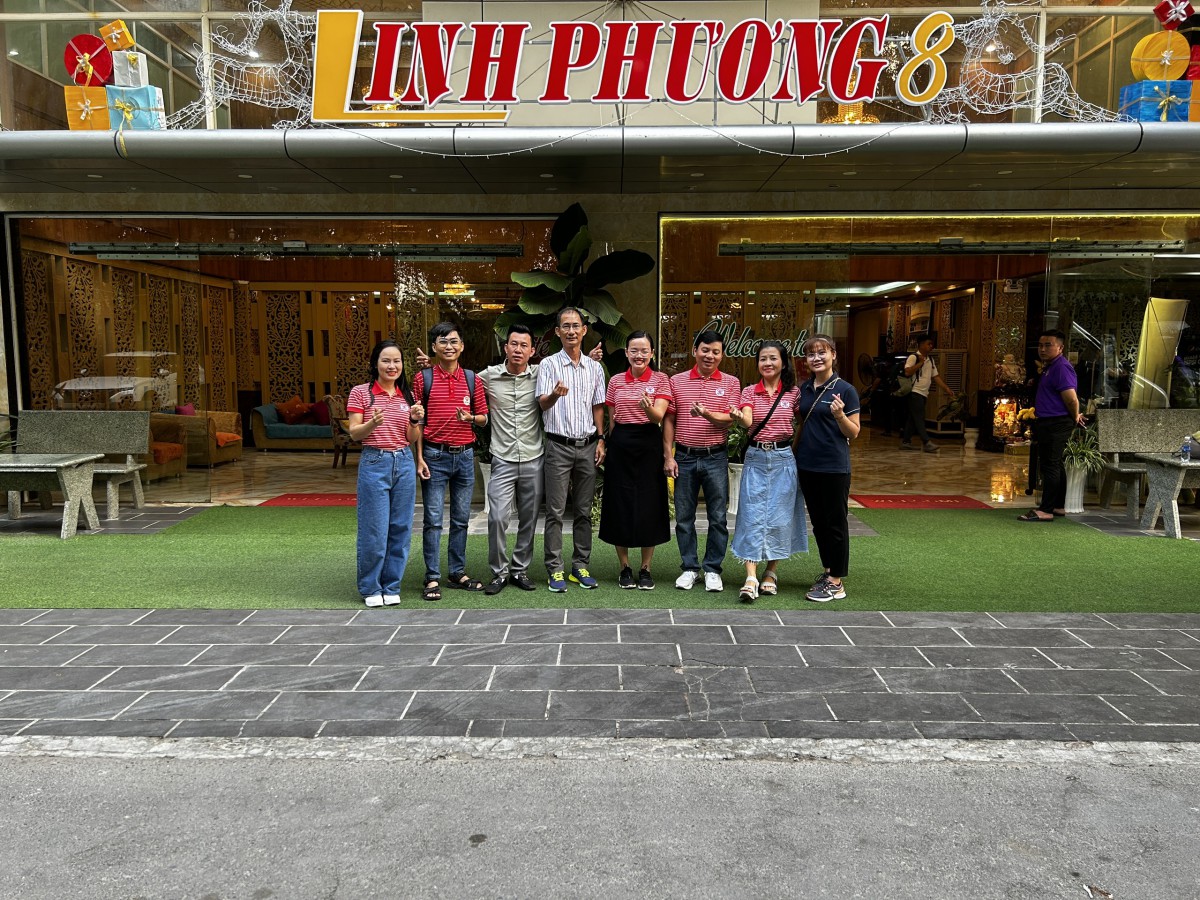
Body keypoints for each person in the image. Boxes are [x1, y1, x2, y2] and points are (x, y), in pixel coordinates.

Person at [345, 340, 423, 607]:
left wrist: (414, 420)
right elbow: (355, 434)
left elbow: (412, 438)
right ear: (375, 363)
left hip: (403, 462)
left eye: (396, 361)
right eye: (386, 361)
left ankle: (391, 585)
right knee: (375, 529)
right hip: (374, 462)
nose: (392, 366)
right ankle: (370, 587)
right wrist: (372, 423)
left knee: (401, 528)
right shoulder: (361, 393)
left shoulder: (407, 395)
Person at [414, 321, 489, 601]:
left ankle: (457, 572)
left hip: (465, 456)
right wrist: (419, 457)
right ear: (434, 347)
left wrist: (471, 418)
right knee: (433, 520)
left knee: (461, 520)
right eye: (443, 342)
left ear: (462, 346)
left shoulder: (472, 379)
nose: (449, 346)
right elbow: (417, 422)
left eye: (454, 341)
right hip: (434, 455)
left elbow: (484, 418)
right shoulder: (423, 379)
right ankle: (432, 577)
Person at [729, 340, 808, 603]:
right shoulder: (750, 391)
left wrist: (791, 451)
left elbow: (803, 423)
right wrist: (739, 417)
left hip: (784, 458)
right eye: (763, 358)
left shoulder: (793, 393)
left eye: (773, 358)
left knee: (780, 517)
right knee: (750, 516)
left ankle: (771, 572)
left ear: (783, 363)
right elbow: (748, 420)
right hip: (756, 458)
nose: (768, 363)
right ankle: (751, 577)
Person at [536, 307, 607, 592]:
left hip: (588, 446)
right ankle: (555, 569)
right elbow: (542, 403)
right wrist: (555, 395)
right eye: (565, 326)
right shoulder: (548, 365)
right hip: (558, 446)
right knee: (555, 511)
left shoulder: (594, 368)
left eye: (576, 326)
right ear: (557, 332)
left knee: (583, 510)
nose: (571, 331)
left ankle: (580, 566)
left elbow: (598, 406)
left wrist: (601, 439)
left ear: (584, 330)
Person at [663, 329, 740, 592]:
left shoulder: (731, 383)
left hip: (715, 456)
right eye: (705, 350)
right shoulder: (677, 381)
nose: (710, 356)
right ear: (695, 351)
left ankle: (712, 569)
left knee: (717, 517)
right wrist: (669, 456)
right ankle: (689, 568)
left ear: (722, 355)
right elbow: (669, 419)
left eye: (715, 352)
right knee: (684, 517)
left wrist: (706, 413)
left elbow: (730, 419)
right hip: (684, 456)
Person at [599, 331, 672, 589]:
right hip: (621, 444)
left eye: (644, 351)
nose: (639, 355)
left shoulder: (661, 379)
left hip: (649, 443)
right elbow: (612, 419)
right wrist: (607, 445)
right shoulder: (616, 381)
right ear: (626, 353)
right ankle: (625, 567)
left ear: (652, 353)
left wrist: (647, 407)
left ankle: (645, 568)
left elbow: (658, 417)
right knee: (620, 502)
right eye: (634, 350)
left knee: (649, 504)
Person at [794, 334, 861, 603]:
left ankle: (836, 582)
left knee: (835, 523)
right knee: (819, 523)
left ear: (833, 354)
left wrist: (840, 416)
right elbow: (802, 425)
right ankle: (828, 570)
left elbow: (853, 432)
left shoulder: (846, 390)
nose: (817, 358)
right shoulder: (804, 388)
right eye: (811, 354)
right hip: (807, 465)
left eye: (822, 352)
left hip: (834, 467)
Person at [478, 325, 543, 595]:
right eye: (513, 344)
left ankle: (519, 569)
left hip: (533, 457)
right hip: (502, 458)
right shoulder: (488, 376)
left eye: (523, 345)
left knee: (529, 518)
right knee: (497, 517)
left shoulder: (541, 374)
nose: (518, 349)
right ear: (505, 348)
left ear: (532, 351)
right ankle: (499, 572)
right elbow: (460, 381)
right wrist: (431, 367)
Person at [1019, 329, 1087, 522]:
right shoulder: (1050, 366)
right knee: (1055, 463)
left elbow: (1071, 398)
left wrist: (1075, 416)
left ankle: (1046, 510)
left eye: (1048, 345)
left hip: (1056, 422)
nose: (1042, 349)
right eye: (1040, 345)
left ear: (1060, 347)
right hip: (1049, 420)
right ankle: (1057, 506)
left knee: (1050, 465)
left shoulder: (1061, 367)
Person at [900, 333, 955, 453]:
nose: (931, 346)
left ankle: (906, 442)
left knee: (913, 418)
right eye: (928, 344)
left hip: (924, 393)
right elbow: (907, 372)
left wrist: (946, 388)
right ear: (921, 345)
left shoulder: (931, 360)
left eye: (931, 344)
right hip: (915, 392)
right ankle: (926, 442)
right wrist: (920, 363)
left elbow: (936, 376)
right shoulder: (913, 357)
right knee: (919, 417)